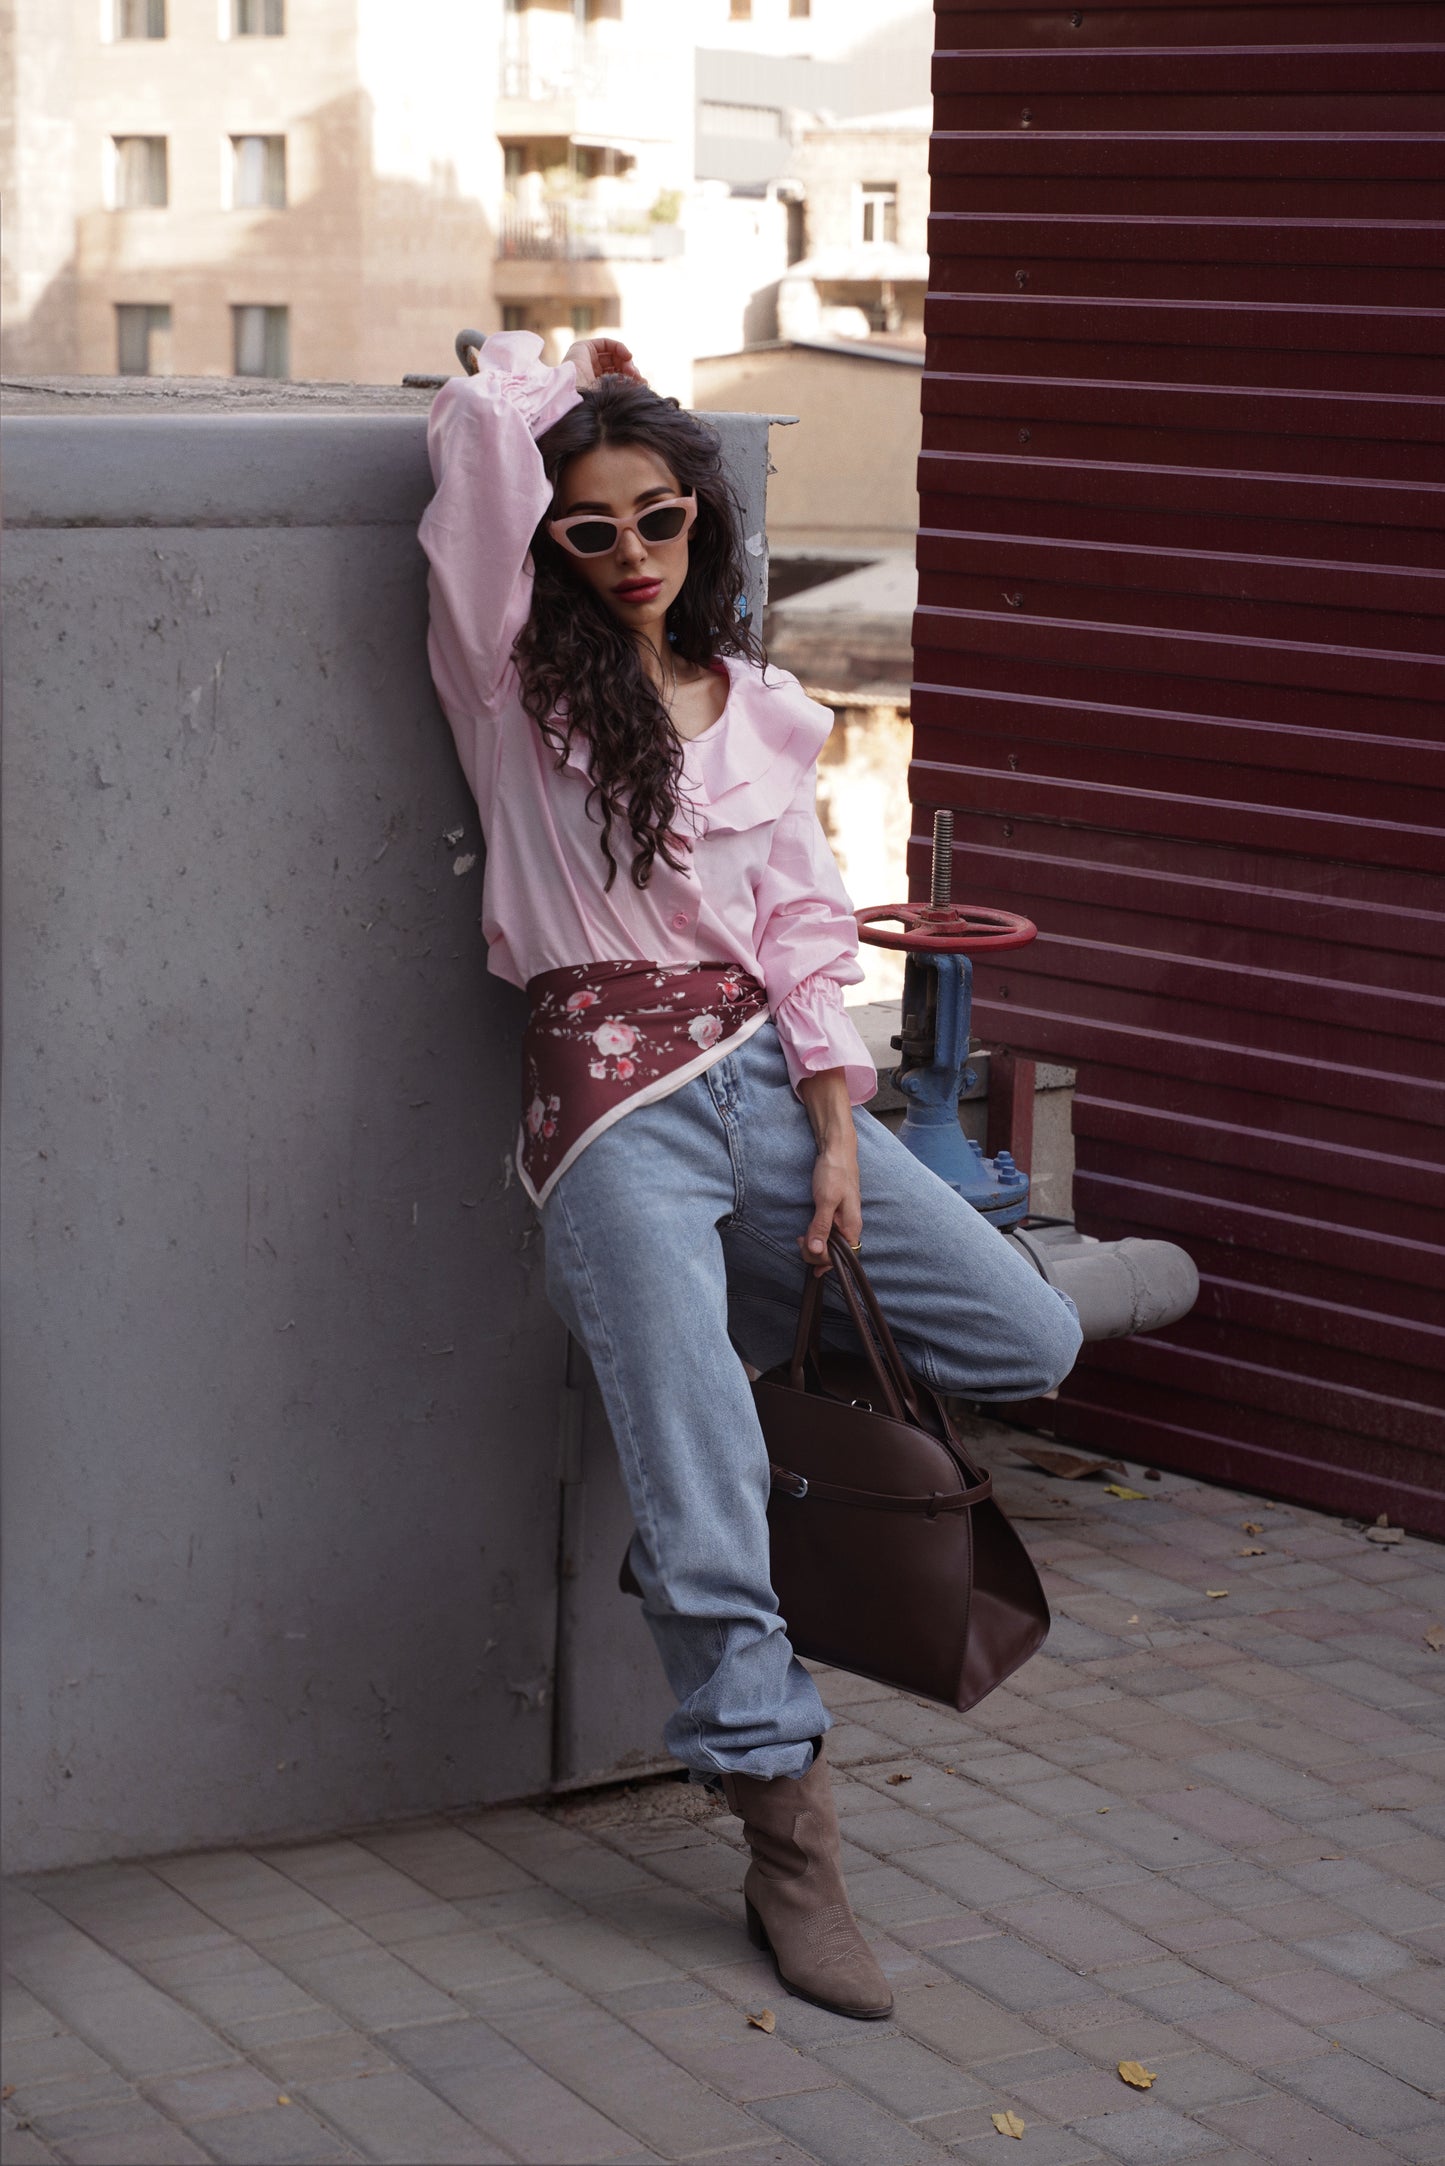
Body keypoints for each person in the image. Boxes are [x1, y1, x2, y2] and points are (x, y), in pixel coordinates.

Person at [420, 331, 1081, 2021]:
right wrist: (567, 380)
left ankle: (730, 1383)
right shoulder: (512, 680)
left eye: (660, 518)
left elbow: (796, 926)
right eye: (592, 529)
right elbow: (480, 456)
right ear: (550, 550)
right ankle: (785, 1822)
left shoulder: (762, 707)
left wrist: (843, 1126)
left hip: (770, 1082)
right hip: (610, 1113)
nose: (632, 554)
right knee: (697, 1462)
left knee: (1025, 1336)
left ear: (701, 522)